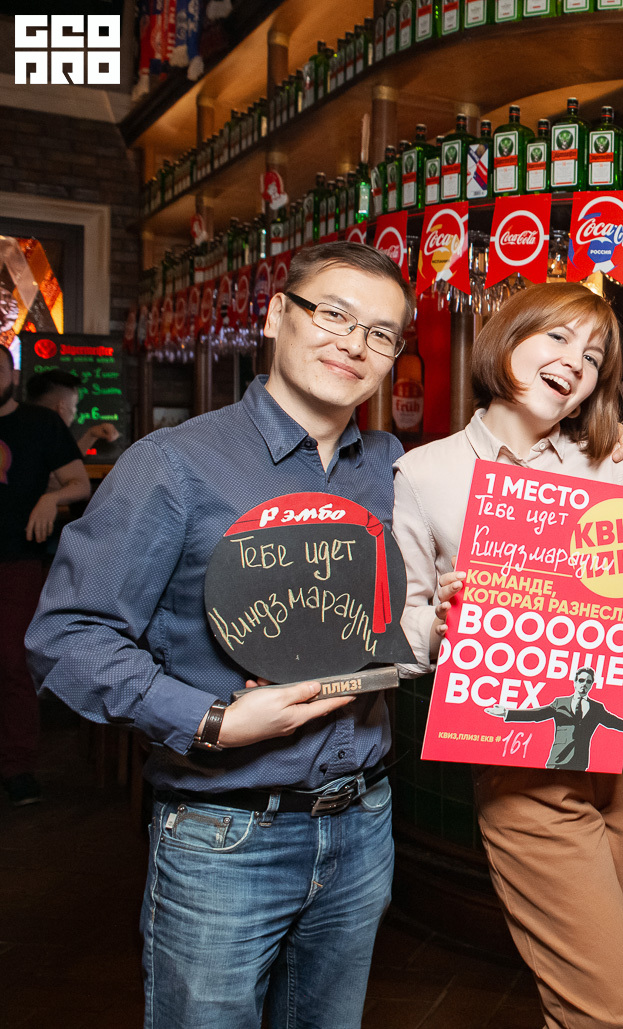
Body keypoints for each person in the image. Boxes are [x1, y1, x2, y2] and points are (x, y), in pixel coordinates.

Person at [27, 242, 410, 1028]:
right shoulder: (173, 465)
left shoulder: (389, 467)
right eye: (334, 315)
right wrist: (211, 720)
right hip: (227, 834)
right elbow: (67, 636)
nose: (354, 343)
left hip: (364, 824)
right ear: (275, 315)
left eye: (380, 333)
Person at [392, 281, 623, 1029]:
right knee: (613, 1012)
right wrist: (443, 623)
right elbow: (402, 632)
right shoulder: (425, 472)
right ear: (508, 337)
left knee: (606, 988)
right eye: (558, 337)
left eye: (594, 356)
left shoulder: (609, 463)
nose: (575, 362)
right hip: (519, 742)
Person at [1, 350, 90, 807]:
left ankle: (17, 767)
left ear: (13, 374)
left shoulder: (39, 423)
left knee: (13, 664)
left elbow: (80, 483)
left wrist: (49, 499)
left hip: (17, 559)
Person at [485, 667, 623, 771]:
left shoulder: (597, 708)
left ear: (591, 684)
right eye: (581, 680)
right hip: (558, 759)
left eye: (588, 682)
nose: (584, 684)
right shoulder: (560, 703)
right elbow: (537, 714)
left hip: (580, 762)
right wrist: (506, 713)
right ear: (575, 682)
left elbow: (614, 723)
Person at [25, 368, 121, 455]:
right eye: (74, 405)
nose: (75, 411)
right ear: (61, 407)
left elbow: (67, 461)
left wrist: (91, 435)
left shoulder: (27, 433)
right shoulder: (48, 443)